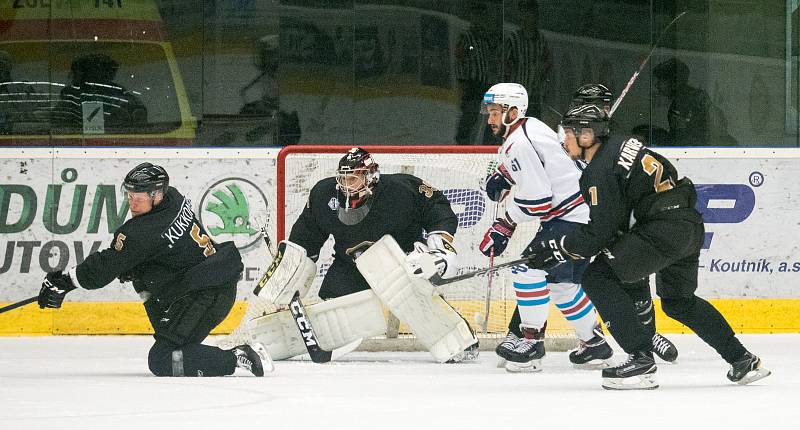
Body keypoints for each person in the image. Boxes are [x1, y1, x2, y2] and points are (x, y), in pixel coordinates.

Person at [524, 104, 770, 389]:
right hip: (688, 226)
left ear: (588, 135)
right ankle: (742, 359)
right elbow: (615, 222)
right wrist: (567, 247)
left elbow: (600, 233)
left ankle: (640, 360)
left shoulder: (599, 171)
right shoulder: (623, 146)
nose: (564, 140)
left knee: (596, 277)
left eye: (569, 133)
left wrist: (558, 248)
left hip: (661, 230)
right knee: (679, 301)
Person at [37, 163, 272, 377]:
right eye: (129, 195)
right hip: (216, 285)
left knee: (162, 359)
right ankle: (213, 353)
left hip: (204, 296)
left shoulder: (141, 233)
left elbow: (103, 268)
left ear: (156, 195)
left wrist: (65, 281)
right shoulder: (174, 198)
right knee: (147, 289)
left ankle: (237, 356)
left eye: (137, 197)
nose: (131, 202)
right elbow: (166, 250)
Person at [284, 147, 477, 362]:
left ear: (371, 176)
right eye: (344, 179)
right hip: (351, 265)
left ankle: (457, 338)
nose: (347, 185)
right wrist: (291, 271)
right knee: (335, 313)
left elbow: (436, 206)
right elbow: (306, 235)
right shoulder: (324, 195)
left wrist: (438, 245)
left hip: (400, 261)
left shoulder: (400, 189)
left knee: (415, 296)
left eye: (354, 178)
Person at [478, 82, 611, 372]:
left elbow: (537, 202)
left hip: (570, 218)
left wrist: (505, 224)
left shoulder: (516, 143)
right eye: (488, 112)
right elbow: (546, 161)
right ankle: (594, 344)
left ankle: (532, 344)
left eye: (494, 112)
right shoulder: (533, 126)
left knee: (527, 270)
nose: (489, 119)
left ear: (512, 112)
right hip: (584, 214)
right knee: (562, 286)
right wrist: (504, 174)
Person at [567, 83, 679, 363]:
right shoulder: (572, 132)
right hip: (578, 207)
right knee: (570, 276)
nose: (605, 108)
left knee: (630, 271)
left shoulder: (608, 132)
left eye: (606, 103)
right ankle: (590, 338)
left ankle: (646, 334)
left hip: (611, 208)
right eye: (598, 103)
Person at [651, 57, 736, 146]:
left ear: (673, 82)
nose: (657, 85)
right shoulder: (695, 97)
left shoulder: (689, 100)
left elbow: (682, 138)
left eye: (661, 80)